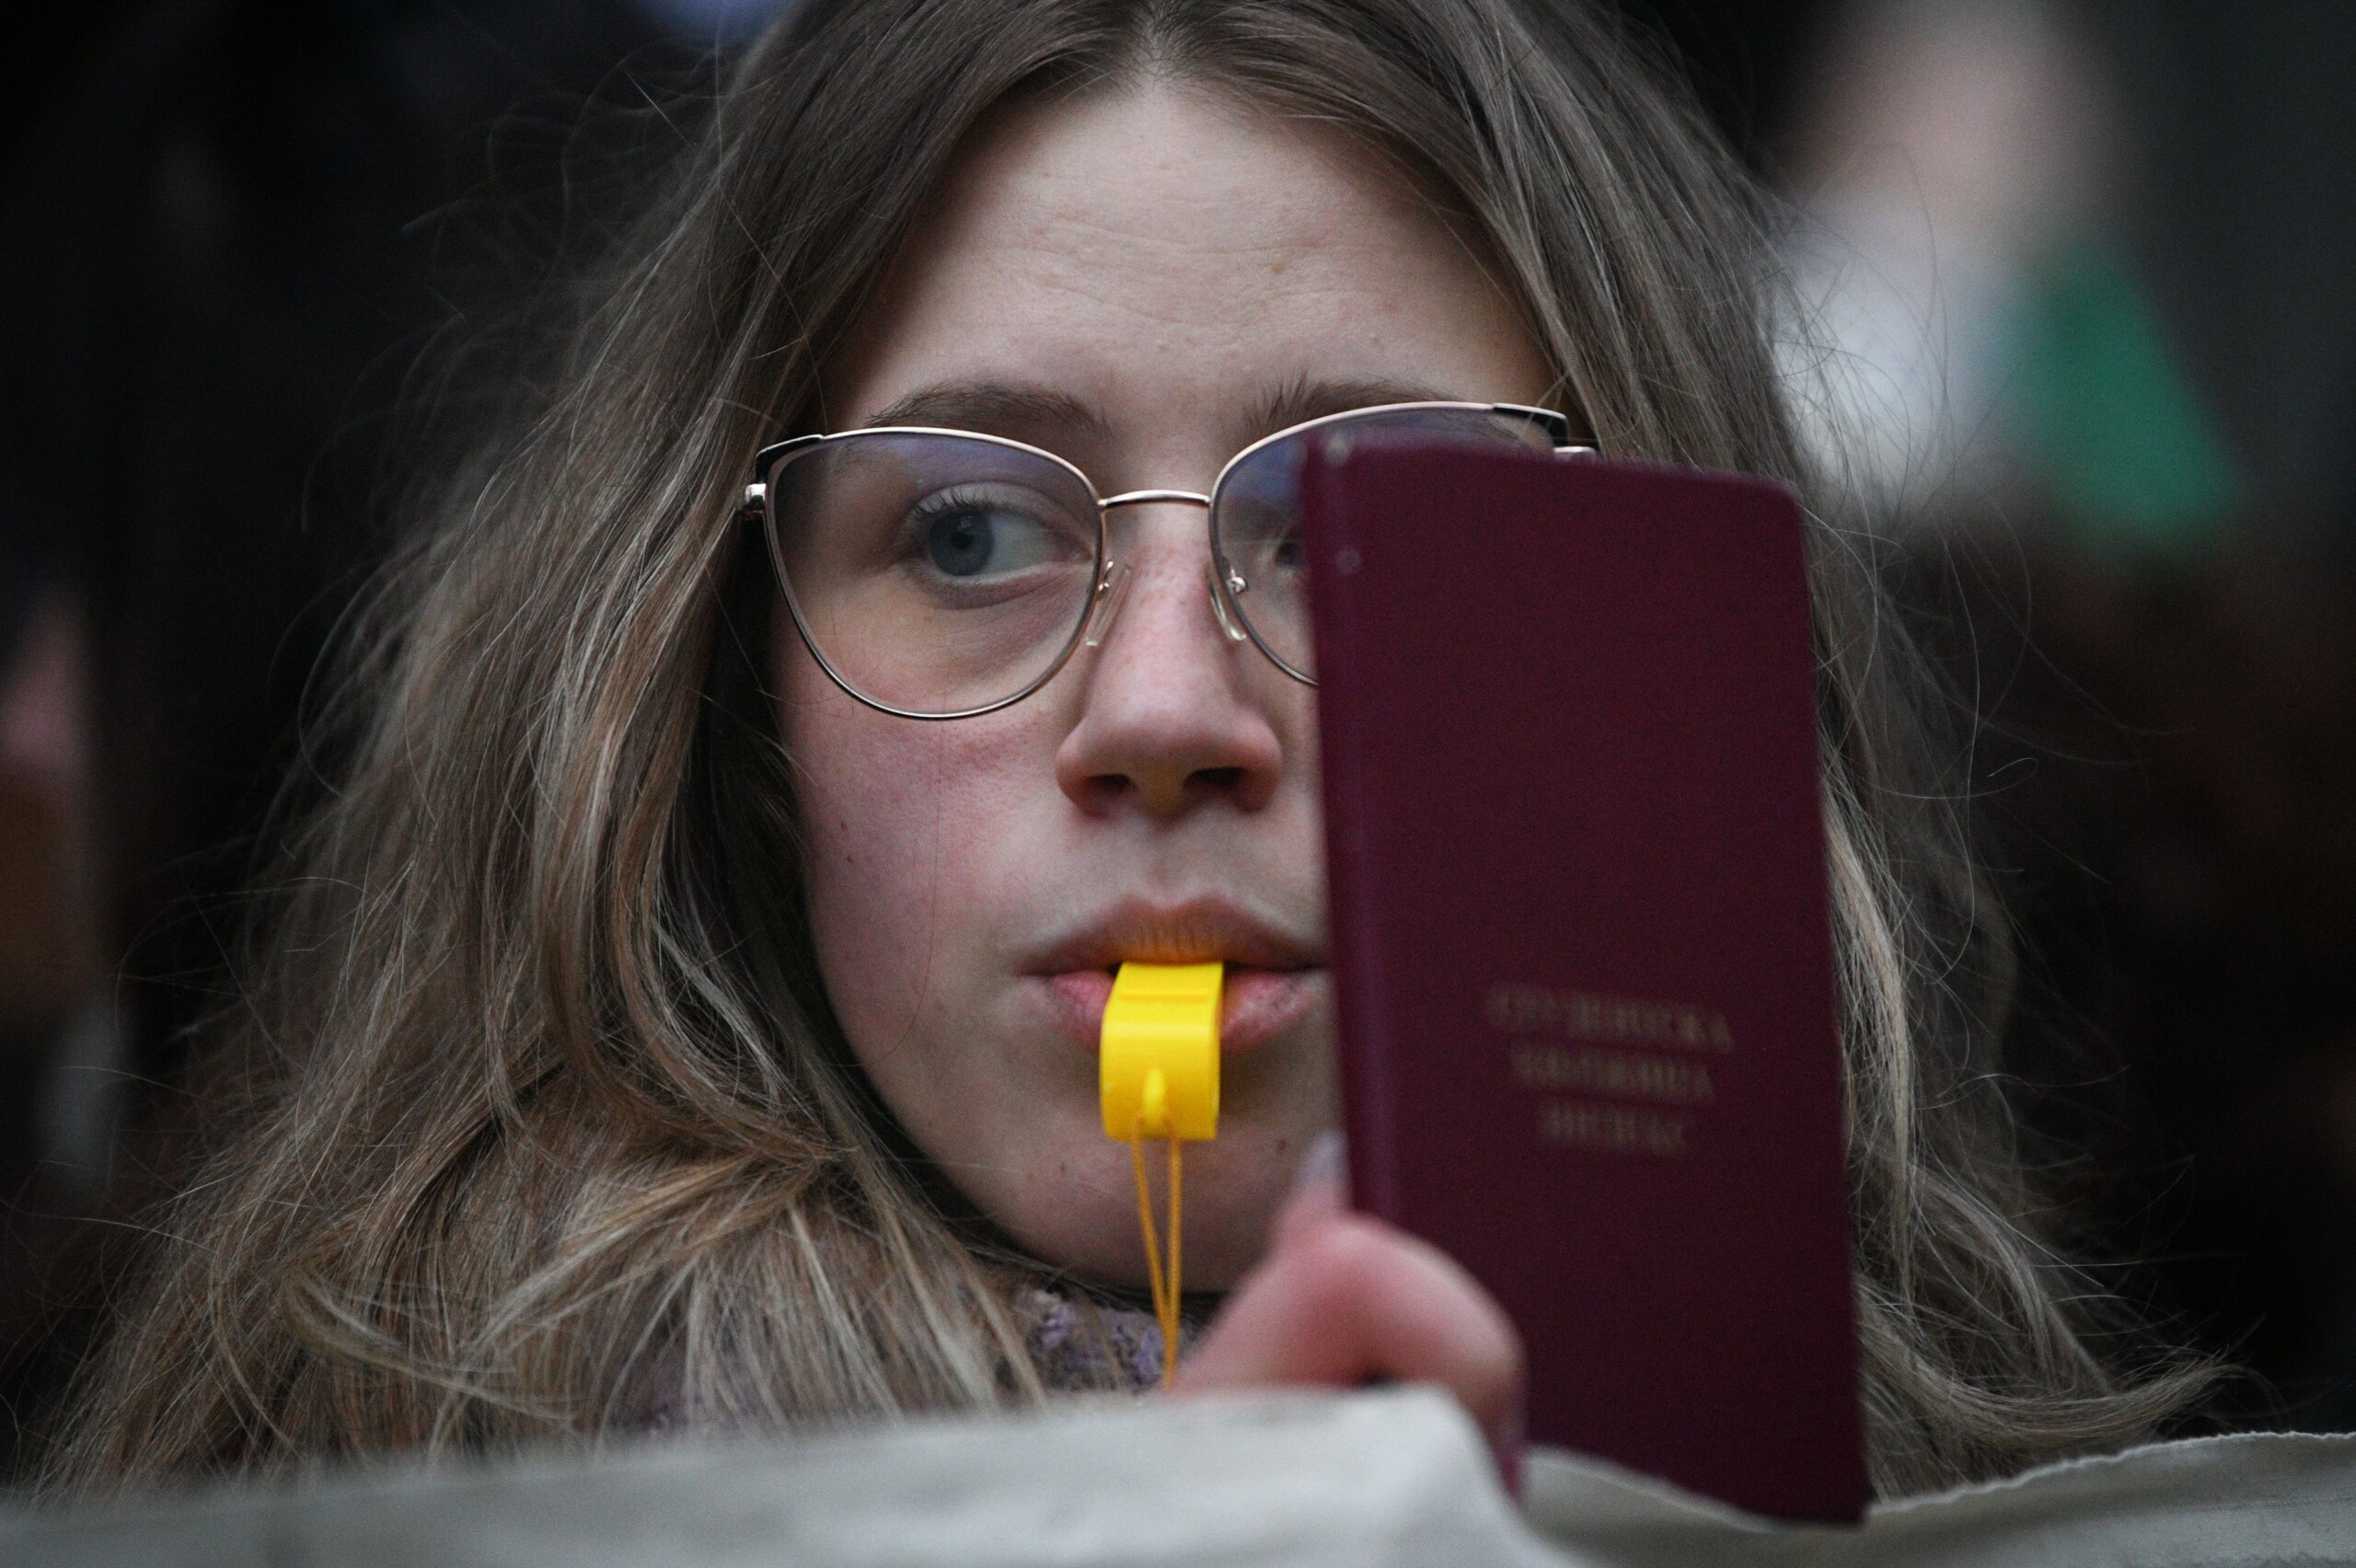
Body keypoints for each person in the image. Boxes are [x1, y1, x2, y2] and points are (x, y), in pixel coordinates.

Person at [47, 0, 2207, 1495]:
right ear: (723, 708)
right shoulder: (412, 1465)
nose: (1165, 714)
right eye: (967, 532)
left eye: (1363, 515)